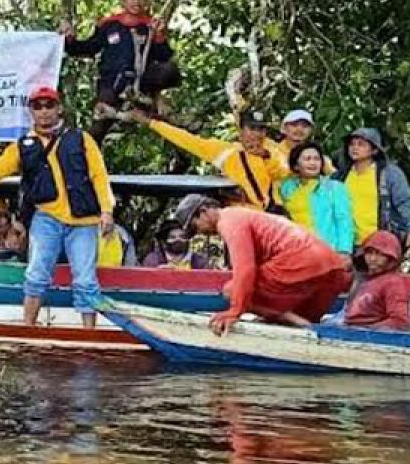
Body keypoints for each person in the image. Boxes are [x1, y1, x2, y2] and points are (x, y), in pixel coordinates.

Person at [0, 87, 115, 328]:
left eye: (49, 105)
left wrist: (107, 210)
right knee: (36, 275)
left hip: (84, 222)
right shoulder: (22, 146)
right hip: (46, 217)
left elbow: (99, 176)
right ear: (31, 112)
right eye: (38, 106)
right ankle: (28, 327)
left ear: (59, 108)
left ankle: (90, 333)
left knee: (86, 279)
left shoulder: (81, 138)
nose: (44, 112)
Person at [175, 194, 350, 335]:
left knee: (230, 290)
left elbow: (245, 270)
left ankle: (292, 320)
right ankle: (301, 322)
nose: (200, 233)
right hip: (332, 267)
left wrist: (235, 311)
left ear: (204, 211)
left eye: (194, 227)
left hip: (302, 263)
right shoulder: (242, 214)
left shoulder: (229, 221)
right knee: (304, 316)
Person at [61, 0, 181, 142]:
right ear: (123, 1)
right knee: (98, 128)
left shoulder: (150, 25)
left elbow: (164, 56)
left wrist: (159, 35)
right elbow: (89, 47)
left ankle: (182, 157)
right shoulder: (109, 25)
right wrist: (69, 39)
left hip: (142, 83)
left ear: (146, 2)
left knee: (170, 71)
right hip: (112, 82)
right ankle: (83, 160)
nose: (136, 2)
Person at [133, 108, 283, 210]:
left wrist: (265, 156)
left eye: (261, 129)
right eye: (252, 129)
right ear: (241, 130)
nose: (256, 134)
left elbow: (283, 172)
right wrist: (152, 123)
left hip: (271, 213)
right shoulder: (225, 150)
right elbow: (187, 140)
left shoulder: (272, 149)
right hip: (240, 212)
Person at [333, 127, 410, 251]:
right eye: (352, 144)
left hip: (381, 243)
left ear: (374, 150)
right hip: (347, 245)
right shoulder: (340, 176)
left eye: (361, 144)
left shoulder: (390, 173)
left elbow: (405, 202)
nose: (354, 148)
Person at [277, 142, 353, 253]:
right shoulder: (286, 188)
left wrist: (344, 251)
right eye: (307, 159)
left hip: (328, 250)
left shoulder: (334, 187)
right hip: (296, 251)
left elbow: (344, 221)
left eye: (317, 159)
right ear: (296, 165)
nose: (313, 163)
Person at [343, 231, 410, 330]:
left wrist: (368, 331)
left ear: (390, 257)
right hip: (348, 329)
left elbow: (400, 321)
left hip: (372, 338)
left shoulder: (393, 283)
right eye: (369, 253)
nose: (373, 259)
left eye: (380, 254)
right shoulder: (360, 278)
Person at [142, 219, 211, 269]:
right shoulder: (152, 260)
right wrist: (157, 273)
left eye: (182, 237)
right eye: (172, 237)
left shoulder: (200, 262)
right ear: (163, 241)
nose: (178, 240)